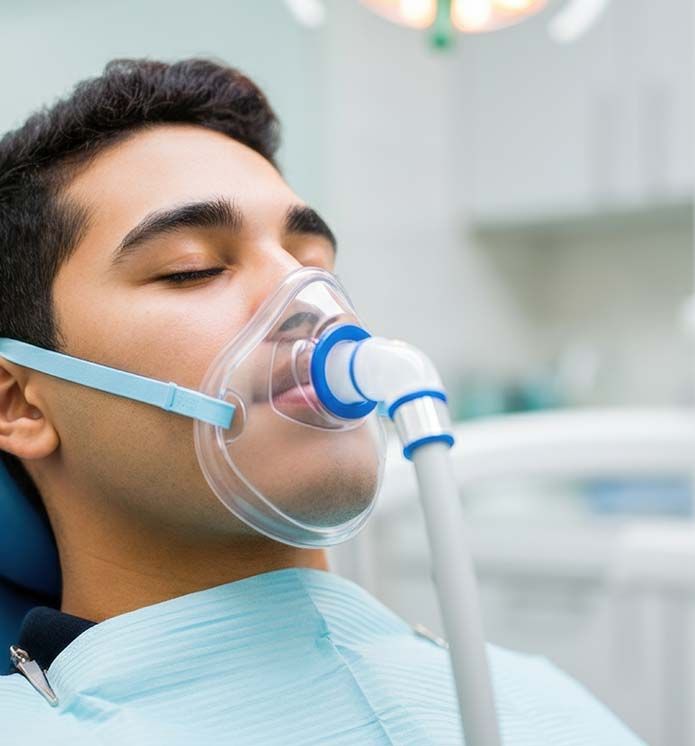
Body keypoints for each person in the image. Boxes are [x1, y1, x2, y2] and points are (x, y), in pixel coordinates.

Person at [0, 58, 644, 745]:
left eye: (315, 266)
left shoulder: (544, 705)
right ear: (21, 405)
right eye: (193, 268)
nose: (305, 303)